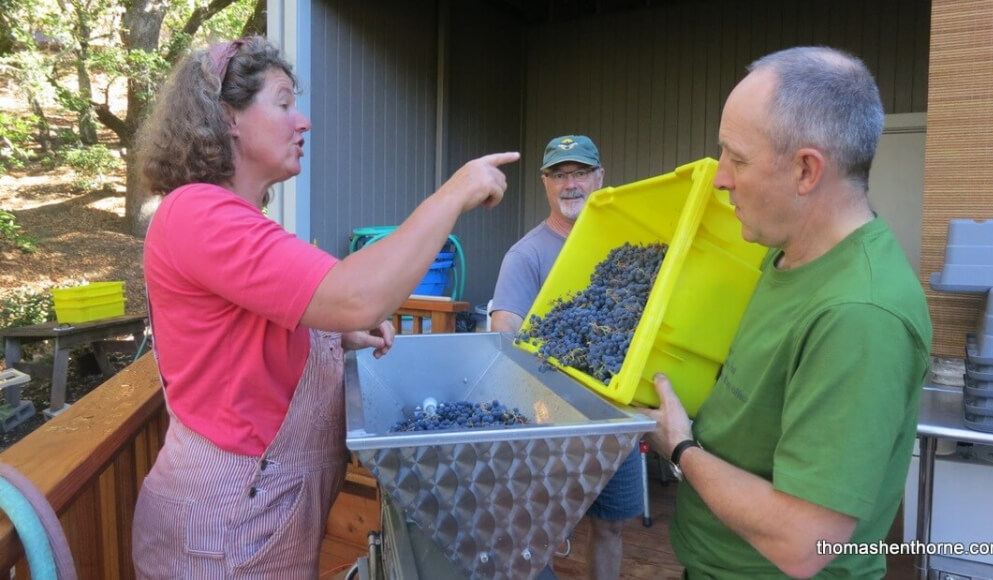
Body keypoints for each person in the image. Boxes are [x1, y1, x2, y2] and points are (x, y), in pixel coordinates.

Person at [130, 36, 519, 577]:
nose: (303, 121)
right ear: (227, 117)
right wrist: (450, 195)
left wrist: (331, 336)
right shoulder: (199, 213)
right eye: (284, 102)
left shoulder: (230, 217)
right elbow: (355, 295)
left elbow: (251, 331)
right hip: (224, 530)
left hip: (260, 513)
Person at [642, 46, 932, 578]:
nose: (720, 178)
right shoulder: (779, 251)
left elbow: (807, 543)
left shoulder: (861, 315)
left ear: (805, 170)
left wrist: (679, 447)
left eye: (738, 158)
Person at [490, 135, 643, 580]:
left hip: (616, 417)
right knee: (539, 530)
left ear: (600, 178)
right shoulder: (527, 255)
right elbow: (505, 330)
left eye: (579, 173)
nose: (569, 184)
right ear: (545, 183)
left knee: (612, 526)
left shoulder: (625, 248)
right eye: (558, 175)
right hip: (550, 423)